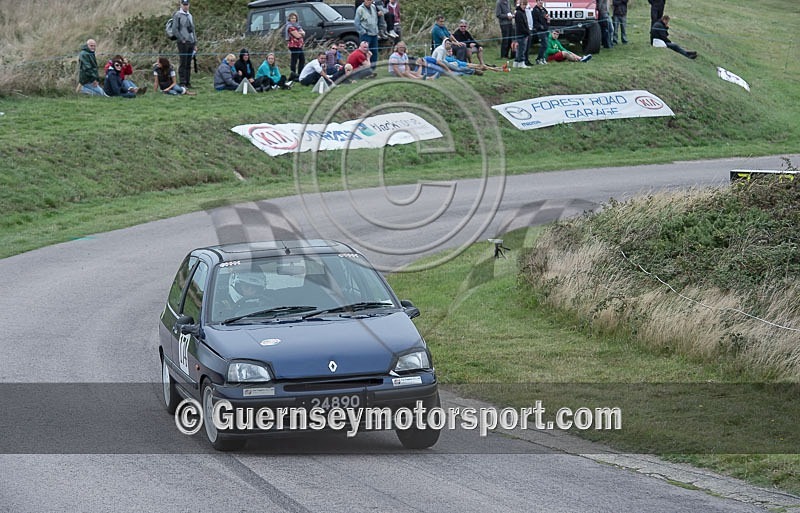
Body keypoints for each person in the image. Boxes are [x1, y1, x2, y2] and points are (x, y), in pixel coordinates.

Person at [172, 0, 197, 89]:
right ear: (181, 5)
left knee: (188, 63)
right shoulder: (177, 15)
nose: (186, 6)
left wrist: (195, 43)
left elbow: (193, 30)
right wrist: (181, 39)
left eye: (187, 5)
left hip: (191, 42)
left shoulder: (190, 15)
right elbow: (175, 29)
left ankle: (188, 82)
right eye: (184, 5)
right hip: (183, 43)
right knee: (183, 63)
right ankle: (182, 82)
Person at [354, 0, 380, 70]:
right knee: (364, 53)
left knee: (374, 52)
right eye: (367, 0)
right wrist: (363, 31)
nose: (369, 1)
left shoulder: (373, 7)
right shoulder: (360, 9)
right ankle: (365, 70)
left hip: (374, 33)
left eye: (370, 0)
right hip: (366, 34)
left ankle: (373, 69)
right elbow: (356, 23)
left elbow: (377, 19)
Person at [285, 12, 305, 81]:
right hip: (294, 45)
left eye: (294, 18)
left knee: (302, 60)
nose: (293, 19)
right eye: (292, 18)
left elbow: (304, 33)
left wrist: (301, 33)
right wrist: (301, 33)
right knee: (294, 60)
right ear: (289, 19)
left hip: (299, 45)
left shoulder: (298, 25)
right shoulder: (290, 27)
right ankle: (293, 75)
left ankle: (300, 74)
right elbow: (298, 35)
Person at [513, 0, 531, 68]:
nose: (524, 6)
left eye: (525, 5)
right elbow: (521, 25)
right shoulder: (519, 13)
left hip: (523, 33)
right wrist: (527, 32)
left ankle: (516, 62)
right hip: (521, 34)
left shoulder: (523, 12)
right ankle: (521, 62)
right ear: (520, 4)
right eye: (523, 5)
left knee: (520, 49)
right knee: (521, 49)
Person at [532, 0, 550, 65]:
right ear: (536, 2)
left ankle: (543, 58)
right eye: (539, 1)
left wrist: (548, 20)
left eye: (541, 0)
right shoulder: (535, 10)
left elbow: (547, 17)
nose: (541, 2)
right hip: (540, 30)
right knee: (544, 44)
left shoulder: (544, 10)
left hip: (546, 29)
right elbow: (535, 22)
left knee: (546, 45)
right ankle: (538, 59)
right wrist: (540, 27)